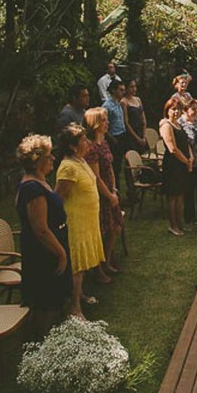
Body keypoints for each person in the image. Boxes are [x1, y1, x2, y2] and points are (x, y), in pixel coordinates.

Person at [14, 134, 71, 334]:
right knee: (45, 300)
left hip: (53, 245)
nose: (53, 158)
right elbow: (40, 230)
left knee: (54, 299)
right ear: (37, 161)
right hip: (43, 252)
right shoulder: (32, 189)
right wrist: (61, 253)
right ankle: (39, 342)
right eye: (49, 156)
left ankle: (49, 338)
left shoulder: (41, 181)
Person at [54, 123, 109, 318]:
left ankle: (80, 294)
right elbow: (57, 198)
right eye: (83, 140)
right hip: (76, 222)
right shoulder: (67, 168)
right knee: (77, 265)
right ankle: (75, 309)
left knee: (84, 262)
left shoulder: (81, 160)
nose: (87, 143)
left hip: (88, 221)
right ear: (71, 145)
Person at [81, 108, 125, 275]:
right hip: (100, 193)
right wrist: (108, 195)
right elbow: (96, 177)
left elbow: (110, 167)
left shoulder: (104, 141)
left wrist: (114, 189)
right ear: (96, 124)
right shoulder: (90, 148)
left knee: (115, 226)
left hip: (110, 189)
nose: (108, 123)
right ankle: (99, 267)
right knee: (102, 230)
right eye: (105, 120)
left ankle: (106, 259)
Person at [159, 97, 193, 235]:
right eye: (173, 109)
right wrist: (186, 161)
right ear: (167, 110)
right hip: (173, 165)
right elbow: (172, 148)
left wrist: (190, 158)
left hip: (183, 163)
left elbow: (186, 143)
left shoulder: (179, 125)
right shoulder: (166, 125)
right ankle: (172, 225)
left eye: (178, 109)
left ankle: (180, 224)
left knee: (180, 195)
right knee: (172, 196)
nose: (176, 112)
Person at [102, 79, 128, 161]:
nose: (123, 92)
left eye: (124, 90)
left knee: (120, 160)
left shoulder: (119, 103)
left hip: (122, 134)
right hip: (113, 136)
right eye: (120, 90)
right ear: (113, 90)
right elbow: (103, 125)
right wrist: (111, 139)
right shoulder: (107, 106)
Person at [122, 78, 148, 155]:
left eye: (135, 86)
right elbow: (126, 122)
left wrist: (143, 135)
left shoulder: (138, 99)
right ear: (126, 88)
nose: (134, 89)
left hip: (140, 131)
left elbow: (143, 118)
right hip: (132, 133)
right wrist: (137, 138)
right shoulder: (124, 102)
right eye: (131, 87)